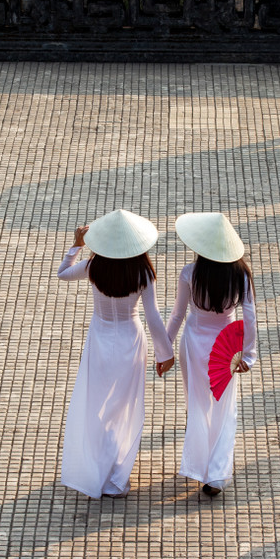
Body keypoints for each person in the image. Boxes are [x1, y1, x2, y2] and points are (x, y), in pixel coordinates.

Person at [57, 209, 174, 499]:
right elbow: (153, 317)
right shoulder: (143, 272)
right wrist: (165, 353)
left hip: (99, 338)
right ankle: (115, 477)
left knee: (98, 403)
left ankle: (96, 466)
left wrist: (76, 245)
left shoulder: (93, 266)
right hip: (130, 341)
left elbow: (62, 274)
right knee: (123, 406)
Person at [167, 213, 258, 496]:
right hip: (226, 347)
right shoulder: (241, 274)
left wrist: (164, 348)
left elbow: (179, 314)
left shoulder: (190, 273)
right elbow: (250, 316)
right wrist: (249, 355)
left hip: (194, 344)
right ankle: (216, 475)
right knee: (224, 408)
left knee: (197, 404)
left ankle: (197, 464)